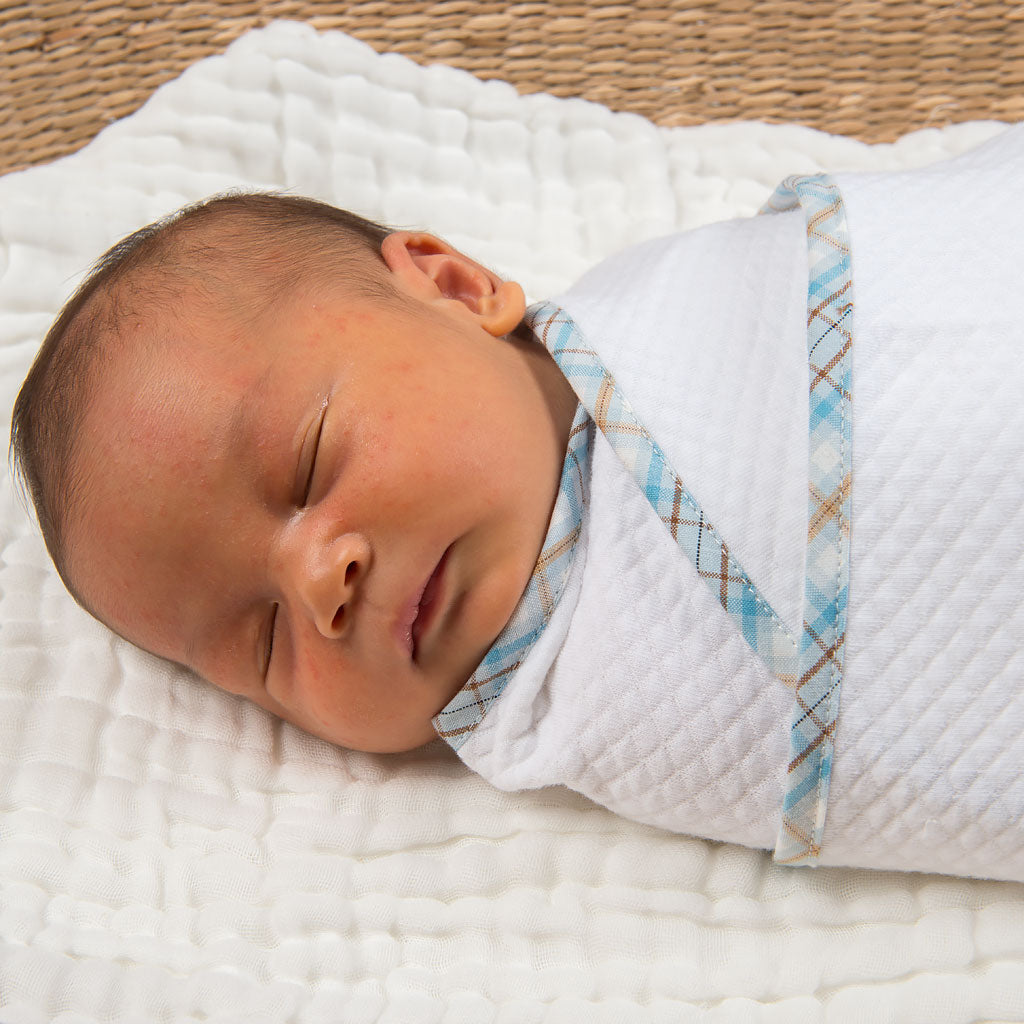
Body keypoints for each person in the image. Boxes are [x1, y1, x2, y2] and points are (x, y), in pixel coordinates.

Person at [11, 123, 1024, 881]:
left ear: (454, 286)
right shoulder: (583, 734)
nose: (322, 583)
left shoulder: (701, 319)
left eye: (311, 463)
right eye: (264, 641)